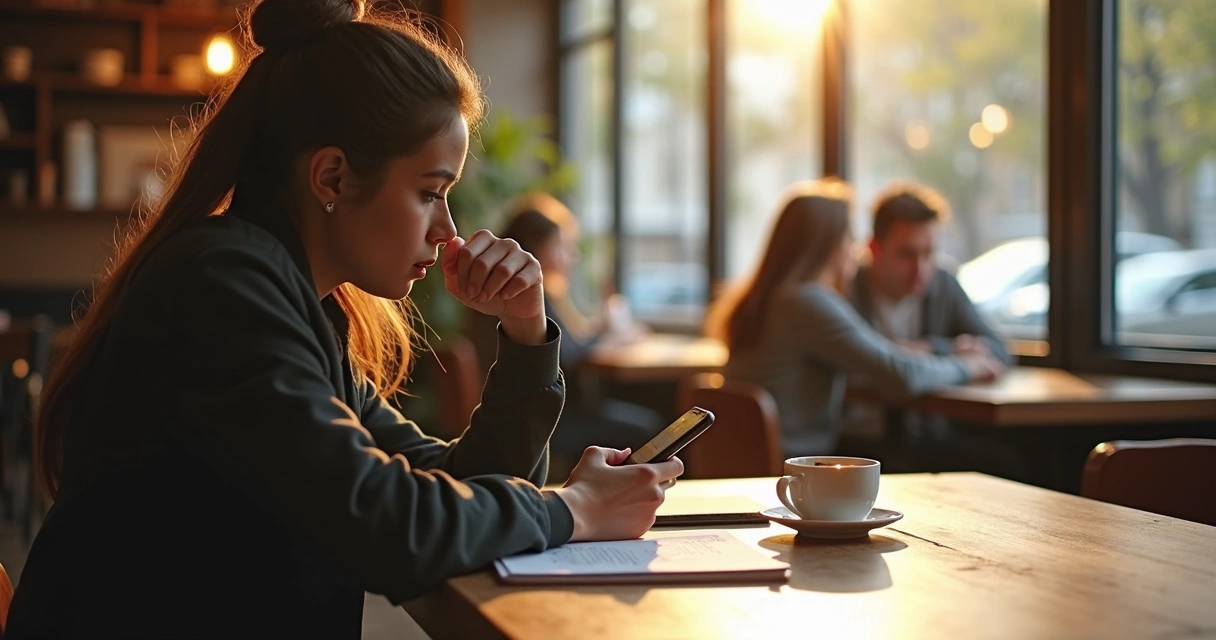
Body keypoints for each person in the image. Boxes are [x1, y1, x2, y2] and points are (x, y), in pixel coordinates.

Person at [5, 2, 683, 637]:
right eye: (429, 193)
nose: (448, 232)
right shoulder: (221, 287)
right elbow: (386, 529)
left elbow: (450, 485)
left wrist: (529, 336)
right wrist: (577, 510)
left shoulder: (297, 304)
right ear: (331, 178)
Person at [705, 179, 1004, 456]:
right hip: (798, 466)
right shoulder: (808, 303)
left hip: (755, 460)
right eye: (848, 238)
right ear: (829, 245)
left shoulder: (769, 298)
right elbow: (901, 376)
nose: (853, 250)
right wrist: (967, 365)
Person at [464, 193, 661, 476]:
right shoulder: (525, 298)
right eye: (562, 246)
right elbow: (563, 356)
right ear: (535, 249)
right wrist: (610, 339)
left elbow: (562, 345)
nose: (572, 256)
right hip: (545, 418)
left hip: (517, 414)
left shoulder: (507, 293)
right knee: (647, 428)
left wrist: (601, 334)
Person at [851, 182, 1011, 366]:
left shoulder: (943, 284)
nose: (921, 269)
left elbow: (1000, 351)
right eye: (906, 254)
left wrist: (932, 349)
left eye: (929, 253)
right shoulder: (847, 289)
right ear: (874, 249)